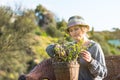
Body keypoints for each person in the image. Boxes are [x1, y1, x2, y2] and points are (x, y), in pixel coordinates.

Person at [46, 15, 107, 80]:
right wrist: (59, 50)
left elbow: (103, 73)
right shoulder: (70, 46)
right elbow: (49, 49)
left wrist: (91, 61)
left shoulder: (94, 47)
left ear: (84, 29)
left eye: (76, 29)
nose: (74, 32)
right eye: (71, 30)